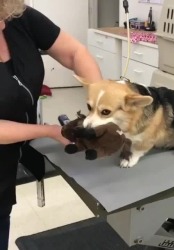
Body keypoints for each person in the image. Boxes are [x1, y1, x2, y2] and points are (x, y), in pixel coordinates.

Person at [0, 0, 102, 249]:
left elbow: (74, 52)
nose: (2, 23)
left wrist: (101, 101)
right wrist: (50, 131)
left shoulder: (17, 17)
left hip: (10, 157)